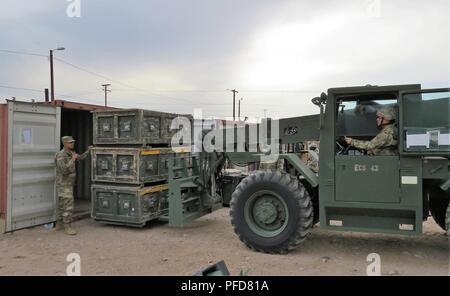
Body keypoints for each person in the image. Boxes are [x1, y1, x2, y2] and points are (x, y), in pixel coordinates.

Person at [55, 136, 92, 235]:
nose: (72, 144)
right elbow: (64, 170)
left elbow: (80, 157)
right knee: (68, 206)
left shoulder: (71, 153)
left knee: (62, 205)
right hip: (64, 184)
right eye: (70, 142)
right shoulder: (61, 155)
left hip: (69, 184)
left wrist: (88, 151)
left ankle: (59, 224)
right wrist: (72, 159)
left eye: (73, 142)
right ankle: (67, 226)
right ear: (65, 144)